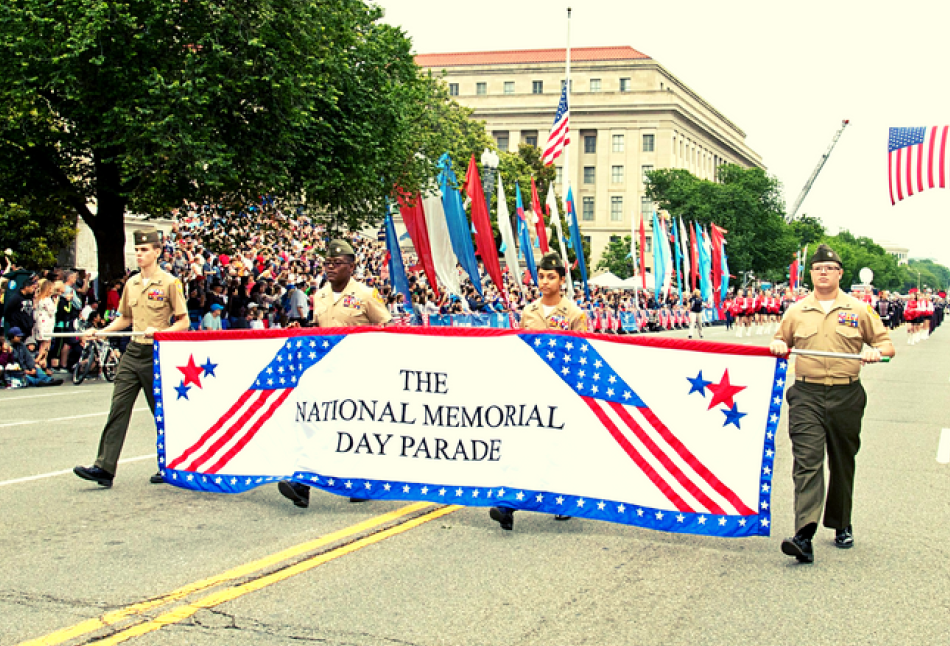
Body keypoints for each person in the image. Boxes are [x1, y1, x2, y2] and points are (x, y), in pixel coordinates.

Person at [769, 244, 895, 564]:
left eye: (829, 268)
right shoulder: (797, 311)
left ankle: (841, 522)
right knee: (807, 461)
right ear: (811, 274)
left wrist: (875, 352)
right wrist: (778, 344)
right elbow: (781, 339)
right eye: (817, 269)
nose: (823, 273)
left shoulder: (859, 309)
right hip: (806, 394)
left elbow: (886, 345)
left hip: (846, 394)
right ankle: (804, 534)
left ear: (840, 273)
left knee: (842, 461)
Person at [277, 239, 391, 509]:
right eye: (327, 263)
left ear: (351, 267)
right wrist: (302, 330)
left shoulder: (366, 294)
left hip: (357, 372)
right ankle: (303, 484)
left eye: (337, 263)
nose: (330, 267)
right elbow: (319, 329)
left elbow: (386, 327)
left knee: (351, 429)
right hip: (326, 371)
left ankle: (354, 482)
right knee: (319, 423)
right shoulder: (320, 295)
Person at [73, 228, 190, 488]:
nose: (139, 254)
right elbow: (125, 318)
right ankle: (104, 467)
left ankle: (174, 464)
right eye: (137, 250)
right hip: (133, 352)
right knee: (118, 408)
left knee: (161, 413)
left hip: (156, 354)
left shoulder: (170, 283)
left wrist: (160, 332)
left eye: (144, 250)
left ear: (157, 252)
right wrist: (100, 332)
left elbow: (183, 322)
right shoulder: (132, 283)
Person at [489, 252, 587, 531]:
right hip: (531, 388)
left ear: (561, 280)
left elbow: (582, 354)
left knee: (555, 449)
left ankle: (562, 499)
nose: (544, 282)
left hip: (560, 390)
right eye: (541, 276)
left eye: (550, 277)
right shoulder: (528, 312)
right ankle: (507, 506)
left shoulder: (574, 314)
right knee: (522, 446)